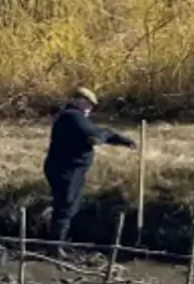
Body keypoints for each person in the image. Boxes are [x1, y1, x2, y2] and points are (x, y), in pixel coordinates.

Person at [44, 87, 135, 255]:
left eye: (92, 105)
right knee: (65, 206)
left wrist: (115, 138)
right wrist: (103, 136)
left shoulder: (74, 117)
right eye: (88, 103)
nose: (90, 108)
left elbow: (97, 134)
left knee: (69, 206)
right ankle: (55, 248)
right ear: (76, 100)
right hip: (66, 170)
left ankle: (58, 243)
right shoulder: (71, 116)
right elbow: (92, 134)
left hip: (71, 169)